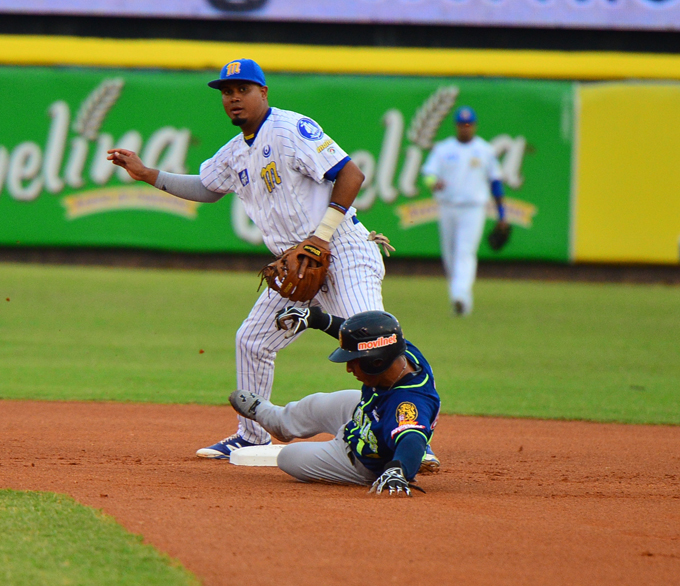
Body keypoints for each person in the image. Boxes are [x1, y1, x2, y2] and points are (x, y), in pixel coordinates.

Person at [107, 58, 390, 458]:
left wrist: (321, 236)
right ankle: (251, 435)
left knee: (373, 339)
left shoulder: (290, 129)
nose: (234, 98)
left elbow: (351, 175)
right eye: (227, 92)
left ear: (264, 93)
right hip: (295, 264)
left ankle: (407, 433)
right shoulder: (235, 151)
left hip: (340, 247)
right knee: (252, 341)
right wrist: (147, 174)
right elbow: (206, 188)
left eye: (243, 89)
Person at [229, 308, 441, 493]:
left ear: (376, 362)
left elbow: (413, 438)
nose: (348, 368)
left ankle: (351, 460)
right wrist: (319, 319)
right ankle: (272, 417)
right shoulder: (400, 351)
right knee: (314, 404)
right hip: (367, 413)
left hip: (360, 459)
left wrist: (399, 470)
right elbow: (360, 338)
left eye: (354, 362)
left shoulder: (407, 404)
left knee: (288, 457)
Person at [421, 106, 508, 316]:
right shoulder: (443, 149)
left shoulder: (485, 150)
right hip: (448, 206)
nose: (465, 128)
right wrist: (433, 183)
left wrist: (502, 215)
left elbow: (496, 182)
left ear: (475, 126)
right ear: (456, 126)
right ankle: (461, 300)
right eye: (462, 124)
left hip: (473, 209)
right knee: (450, 256)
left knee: (464, 253)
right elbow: (428, 174)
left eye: (469, 124)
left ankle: (460, 296)